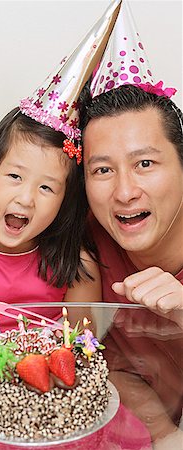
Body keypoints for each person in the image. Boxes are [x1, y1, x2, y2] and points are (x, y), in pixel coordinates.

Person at [80, 84, 183, 446]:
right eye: (103, 170)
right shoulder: (83, 243)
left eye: (145, 163)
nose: (125, 192)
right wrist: (164, 435)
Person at [0, 106, 101, 338]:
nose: (26, 199)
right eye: (15, 176)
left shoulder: (77, 267)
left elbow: (85, 351)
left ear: (64, 202)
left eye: (46, 187)